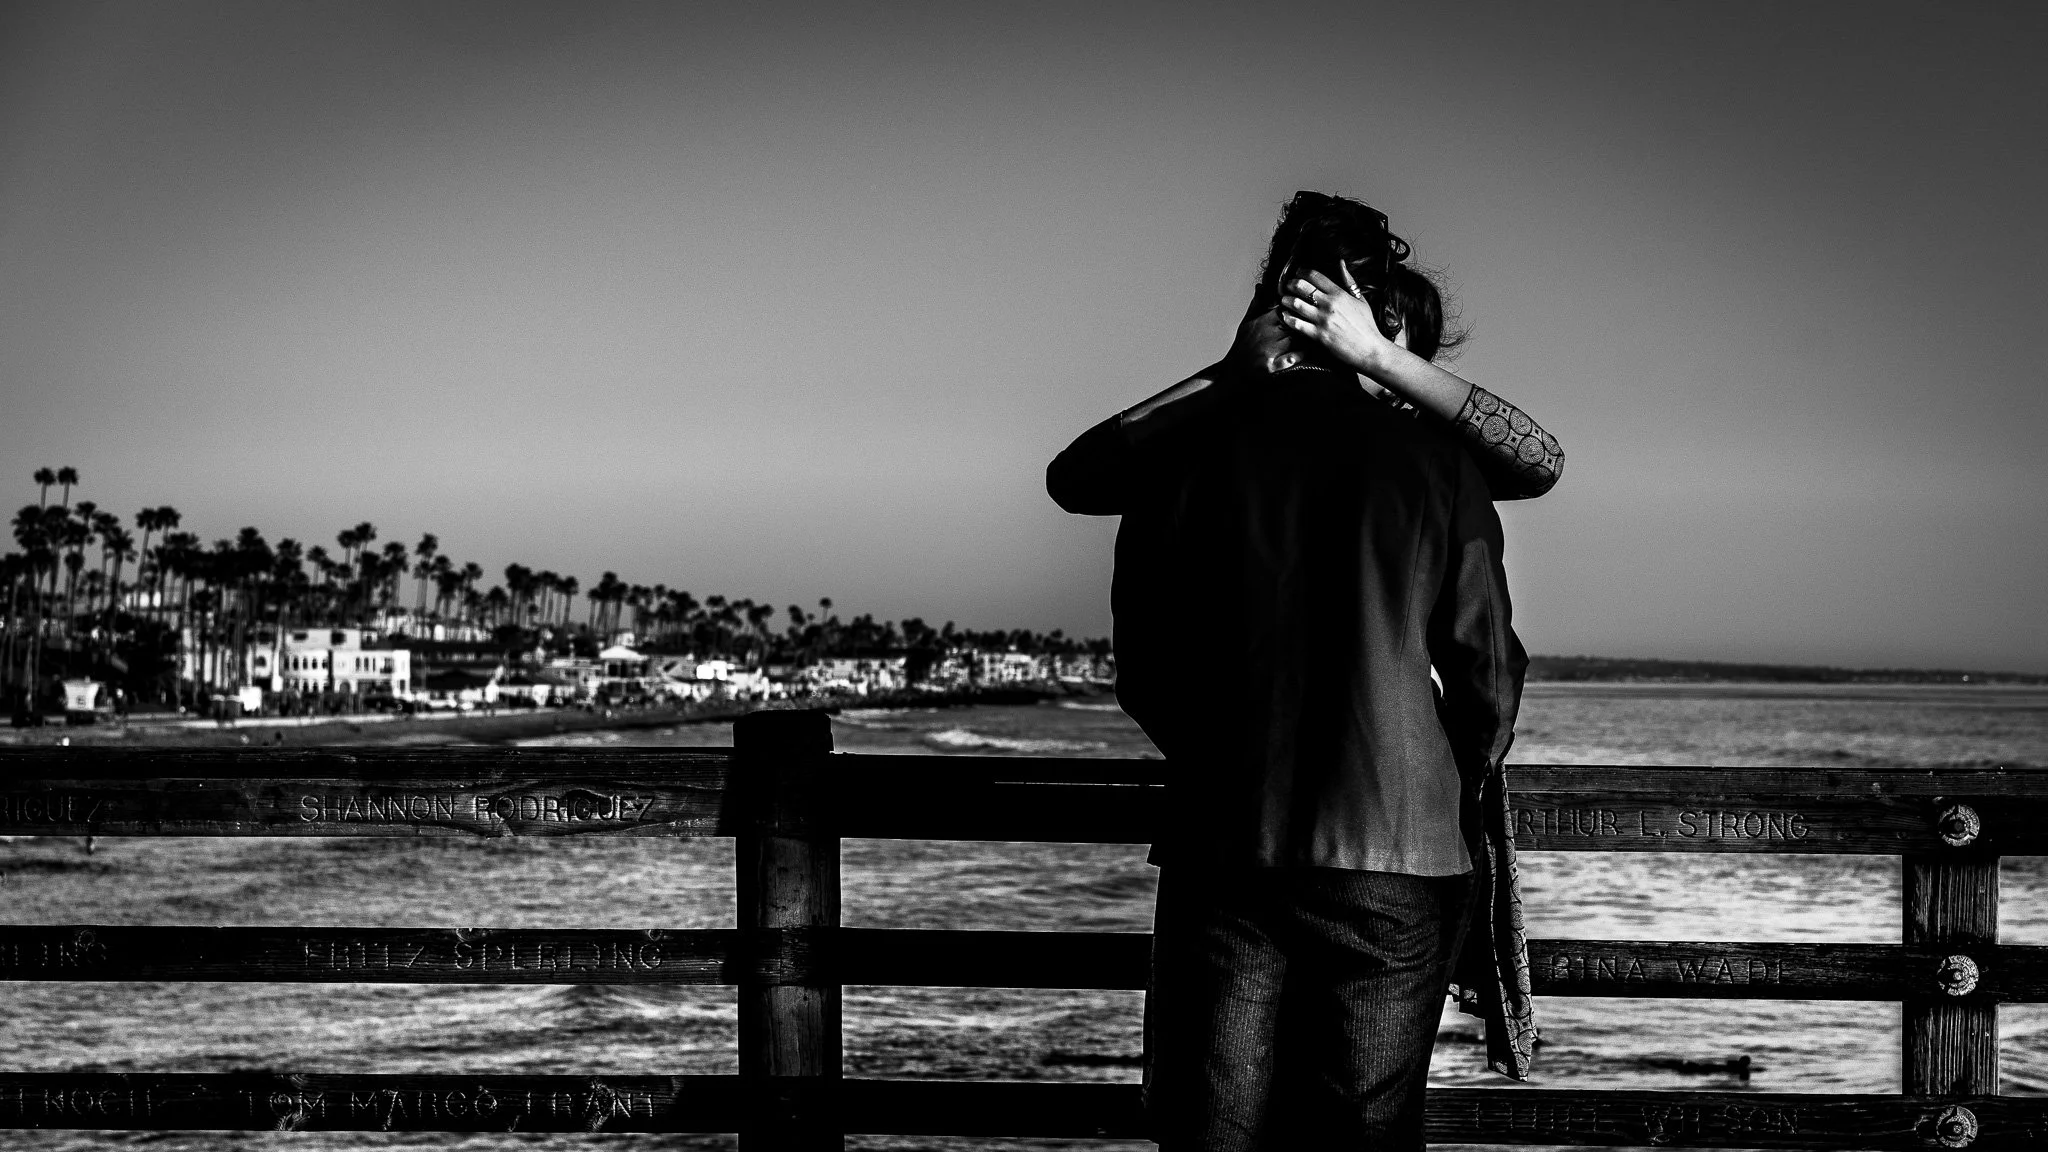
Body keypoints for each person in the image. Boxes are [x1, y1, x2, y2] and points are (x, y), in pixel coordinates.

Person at [1046, 191, 1544, 1150]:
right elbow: (1487, 671)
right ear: (1375, 318)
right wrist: (1444, 777)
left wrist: (1220, 759)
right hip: (1400, 844)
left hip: (1227, 839)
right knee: (1365, 1139)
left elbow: (1143, 666)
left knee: (1213, 1135)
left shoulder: (1183, 455)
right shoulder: (1437, 463)